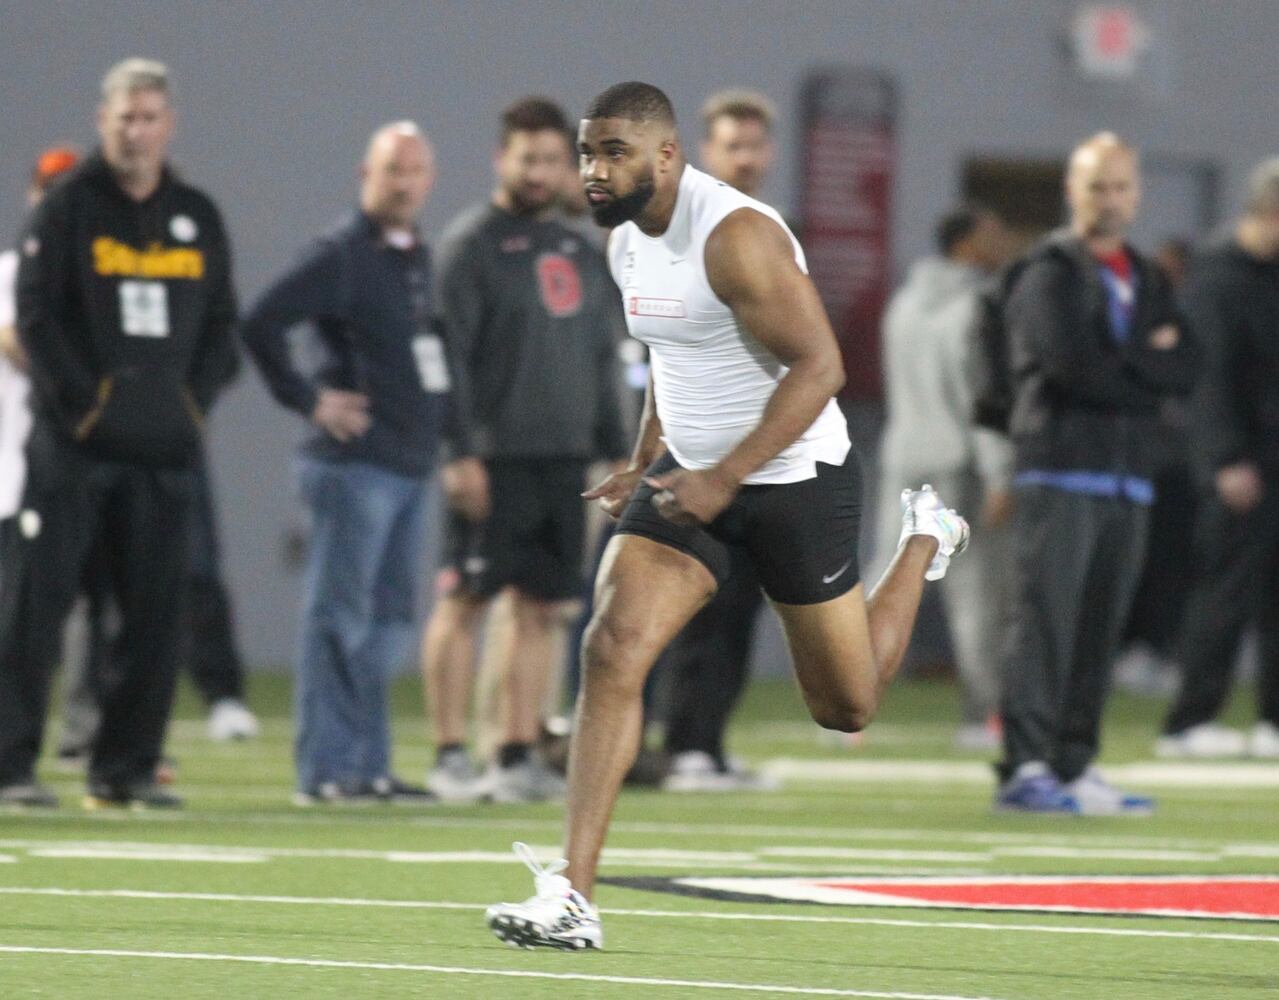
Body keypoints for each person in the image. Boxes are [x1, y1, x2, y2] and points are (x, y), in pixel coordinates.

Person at [484, 81, 968, 951]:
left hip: (793, 476)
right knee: (610, 645)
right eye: (588, 154)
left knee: (846, 706)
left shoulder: (735, 236)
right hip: (689, 477)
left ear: (667, 156)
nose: (593, 172)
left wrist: (727, 476)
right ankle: (571, 895)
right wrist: (647, 455)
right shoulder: (624, 242)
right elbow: (669, 353)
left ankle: (926, 535)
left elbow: (818, 368)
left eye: (612, 154)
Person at [0, 58, 239, 809]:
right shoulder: (68, 208)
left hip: (164, 451)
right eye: (123, 118)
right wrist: (86, 406)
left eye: (148, 118)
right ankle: (9, 767)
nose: (136, 132)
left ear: (168, 125)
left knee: (155, 618)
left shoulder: (196, 214)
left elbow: (222, 326)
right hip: (73, 450)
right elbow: (34, 318)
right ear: (102, 122)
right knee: (35, 611)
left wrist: (189, 405)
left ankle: (126, 768)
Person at [420, 97, 629, 804]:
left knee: (541, 606)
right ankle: (449, 754)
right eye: (525, 157)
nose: (538, 172)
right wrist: (459, 451)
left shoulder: (576, 247)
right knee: (464, 600)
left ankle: (515, 751)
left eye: (550, 160)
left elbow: (602, 360)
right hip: (493, 456)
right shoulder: (468, 245)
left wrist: (614, 451)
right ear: (499, 159)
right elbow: (445, 356)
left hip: (564, 459)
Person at [240, 121, 447, 805]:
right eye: (393, 169)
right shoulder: (340, 254)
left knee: (387, 624)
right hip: (354, 467)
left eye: (415, 169)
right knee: (338, 619)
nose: (404, 181)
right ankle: (324, 771)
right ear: (367, 174)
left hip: (407, 466)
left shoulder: (413, 256)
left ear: (430, 179)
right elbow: (262, 321)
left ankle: (368, 766)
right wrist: (308, 400)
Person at [994, 133, 1197, 815]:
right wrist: (1146, 362)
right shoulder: (1045, 271)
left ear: (1136, 194)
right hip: (1060, 469)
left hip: (1126, 476)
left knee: (1097, 631)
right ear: (1071, 192)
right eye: (1095, 186)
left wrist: (1126, 362)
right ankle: (1025, 766)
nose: (1109, 200)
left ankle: (1073, 764)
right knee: (1043, 624)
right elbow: (1070, 367)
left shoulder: (1144, 275)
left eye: (1120, 187)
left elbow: (1188, 366)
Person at [658, 88, 782, 792]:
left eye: (754, 145)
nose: (745, 158)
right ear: (708, 151)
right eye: (732, 145)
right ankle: (682, 747)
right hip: (699, 446)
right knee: (696, 599)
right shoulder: (681, 227)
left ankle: (708, 741)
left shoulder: (773, 228)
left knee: (739, 602)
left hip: (760, 450)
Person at [876, 205, 1013, 751]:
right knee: (975, 597)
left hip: (904, 458)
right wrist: (1000, 471)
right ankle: (982, 717)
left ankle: (845, 707)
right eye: (992, 230)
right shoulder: (976, 307)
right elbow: (978, 396)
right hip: (957, 463)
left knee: (884, 586)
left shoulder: (903, 304)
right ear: (966, 242)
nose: (1001, 239)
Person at [1155, 159, 1279, 759]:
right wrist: (1224, 457)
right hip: (1239, 460)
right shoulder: (1216, 279)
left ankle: (1273, 722)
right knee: (1225, 589)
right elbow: (1208, 380)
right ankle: (1191, 719)